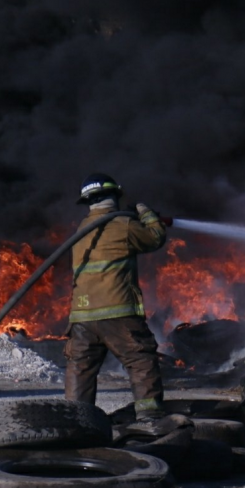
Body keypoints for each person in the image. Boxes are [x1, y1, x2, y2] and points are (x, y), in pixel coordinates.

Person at [65, 173, 168, 421]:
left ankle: (78, 422)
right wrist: (146, 213)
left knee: (80, 369)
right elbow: (155, 238)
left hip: (82, 316)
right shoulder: (124, 225)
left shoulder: (81, 230)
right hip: (118, 311)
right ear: (115, 196)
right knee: (140, 360)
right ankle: (149, 420)